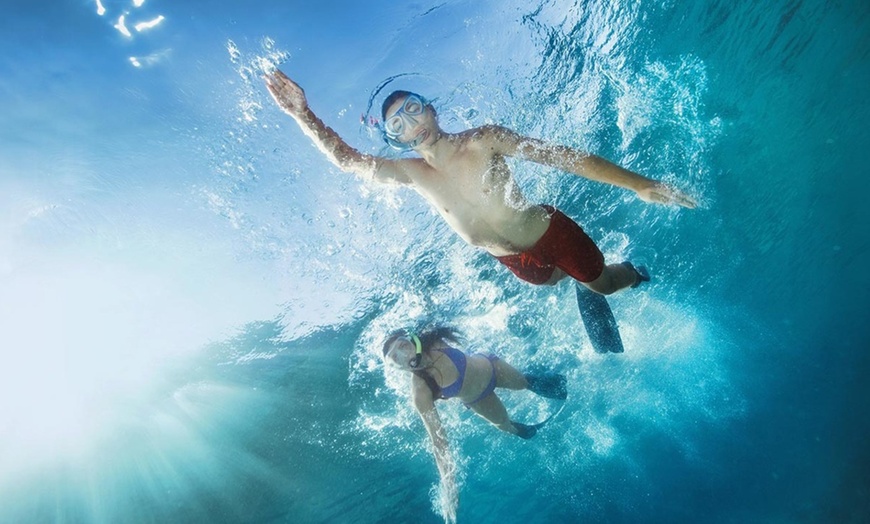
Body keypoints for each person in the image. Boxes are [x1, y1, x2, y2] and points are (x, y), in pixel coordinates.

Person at [264, 70, 697, 294]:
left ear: (431, 109)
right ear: (393, 140)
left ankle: (632, 275)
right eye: (398, 124)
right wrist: (303, 115)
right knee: (551, 284)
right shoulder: (413, 174)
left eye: (414, 109)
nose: (411, 123)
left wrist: (638, 183)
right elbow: (348, 161)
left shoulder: (483, 140)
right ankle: (577, 280)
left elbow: (565, 159)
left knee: (602, 285)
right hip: (515, 262)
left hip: (550, 232)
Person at [380, 325, 567, 521]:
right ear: (397, 368)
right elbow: (438, 441)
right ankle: (538, 431)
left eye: (402, 345)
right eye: (395, 358)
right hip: (478, 398)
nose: (403, 354)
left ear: (411, 340)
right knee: (505, 426)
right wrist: (448, 485)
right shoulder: (421, 390)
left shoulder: (433, 342)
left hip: (492, 367)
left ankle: (557, 381)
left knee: (523, 384)